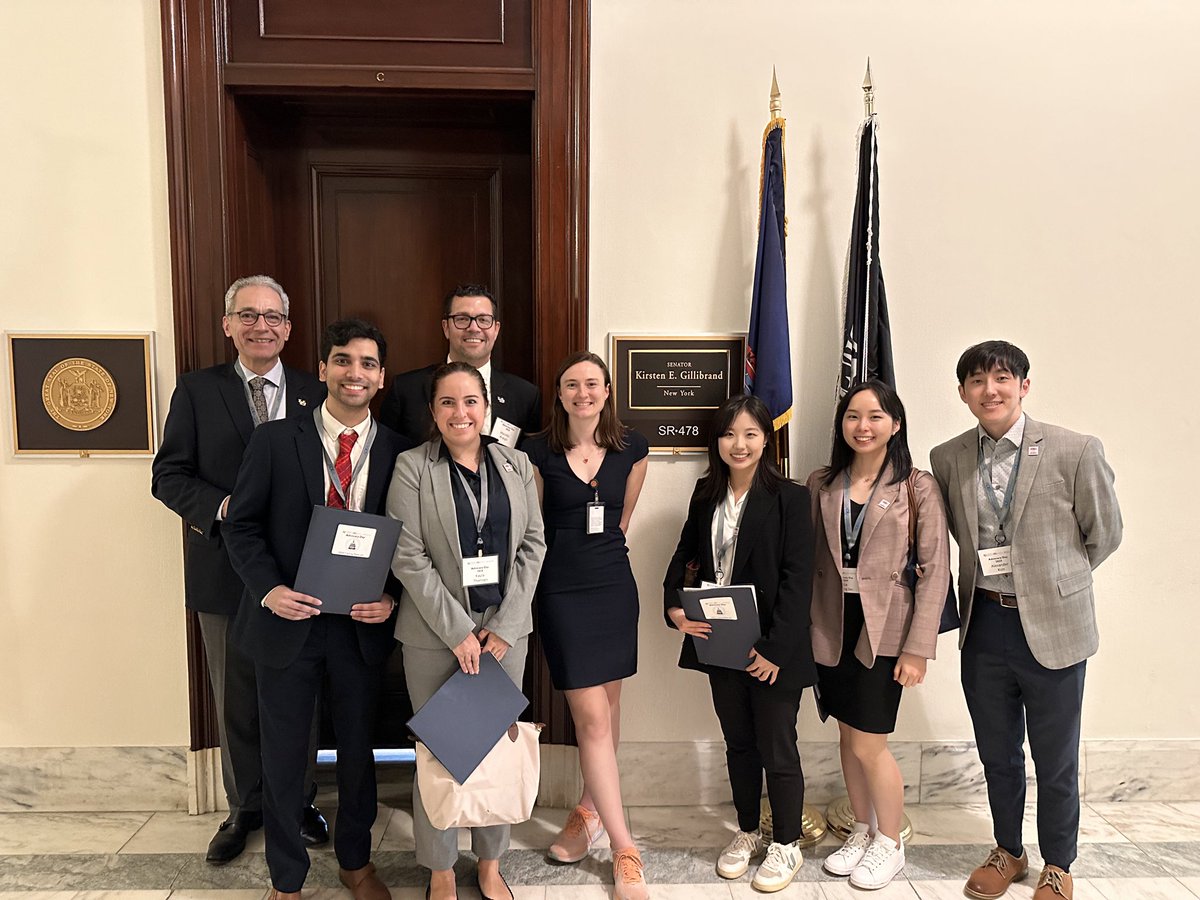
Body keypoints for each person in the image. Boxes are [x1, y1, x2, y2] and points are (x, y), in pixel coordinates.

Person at [224, 319, 411, 900]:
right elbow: (242, 526)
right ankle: (287, 880)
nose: (355, 373)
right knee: (283, 758)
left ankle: (357, 864)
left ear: (381, 378)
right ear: (324, 369)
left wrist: (394, 599)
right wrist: (268, 590)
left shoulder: (403, 452)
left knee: (359, 751)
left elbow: (419, 543)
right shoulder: (277, 440)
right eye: (343, 360)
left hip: (360, 627)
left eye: (368, 364)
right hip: (288, 621)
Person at [930, 341, 1122, 900]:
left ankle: (1058, 863)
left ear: (1024, 386)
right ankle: (1009, 850)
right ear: (963, 393)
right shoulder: (949, 456)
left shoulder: (1074, 449)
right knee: (997, 751)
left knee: (1056, 756)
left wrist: (1051, 584)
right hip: (985, 624)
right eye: (976, 381)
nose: (990, 390)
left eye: (1002, 378)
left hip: (1055, 626)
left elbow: (1104, 533)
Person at [151, 274, 329, 864]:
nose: (262, 326)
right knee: (235, 696)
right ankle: (245, 807)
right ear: (227, 325)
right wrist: (225, 508)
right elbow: (168, 476)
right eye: (248, 316)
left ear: (289, 327)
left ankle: (299, 800)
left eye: (274, 316)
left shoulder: (315, 390)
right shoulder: (198, 392)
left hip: (304, 576)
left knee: (299, 693)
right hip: (225, 573)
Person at [387, 362, 547, 900]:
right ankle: (439, 868)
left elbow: (533, 547)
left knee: (494, 749)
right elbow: (408, 555)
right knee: (442, 752)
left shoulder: (517, 464)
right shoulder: (412, 466)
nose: (461, 412)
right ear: (433, 411)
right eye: (448, 403)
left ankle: (490, 864)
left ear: (487, 407)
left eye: (471, 401)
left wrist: (504, 625)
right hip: (435, 637)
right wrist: (458, 630)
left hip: (505, 637)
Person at [662, 394, 816, 893]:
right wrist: (673, 605)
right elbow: (684, 553)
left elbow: (799, 580)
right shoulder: (706, 492)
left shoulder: (790, 497)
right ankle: (748, 831)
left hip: (773, 649)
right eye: (730, 434)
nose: (739, 444)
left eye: (750, 433)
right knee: (739, 743)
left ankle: (786, 843)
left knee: (778, 746)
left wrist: (774, 649)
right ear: (718, 441)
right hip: (721, 641)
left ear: (766, 439)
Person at [805, 380, 950, 889]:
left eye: (874, 417)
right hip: (830, 625)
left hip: (886, 629)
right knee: (846, 735)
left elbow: (936, 571)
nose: (862, 427)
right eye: (852, 416)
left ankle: (890, 842)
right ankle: (863, 830)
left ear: (895, 423)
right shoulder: (822, 483)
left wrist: (917, 649)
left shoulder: (917, 485)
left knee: (870, 743)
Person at [523, 351, 650, 900]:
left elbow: (621, 521)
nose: (582, 393)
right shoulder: (536, 451)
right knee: (591, 720)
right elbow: (535, 529)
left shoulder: (633, 449)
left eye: (592, 383)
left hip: (614, 589)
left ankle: (588, 812)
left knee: (610, 706)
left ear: (606, 390)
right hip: (561, 591)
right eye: (571, 384)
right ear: (559, 393)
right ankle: (626, 849)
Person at [379, 284, 541, 447]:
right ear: (446, 328)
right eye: (462, 319)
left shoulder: (525, 396)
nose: (473, 328)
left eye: (483, 320)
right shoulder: (406, 390)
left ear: (496, 330)